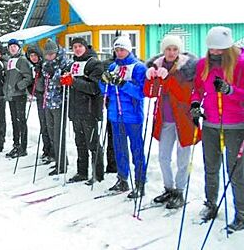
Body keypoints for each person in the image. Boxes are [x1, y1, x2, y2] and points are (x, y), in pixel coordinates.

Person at [190, 26, 244, 232]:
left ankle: (241, 213)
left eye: (219, 49)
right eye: (211, 49)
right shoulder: (203, 64)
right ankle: (210, 204)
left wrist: (230, 90)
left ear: (228, 48)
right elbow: (198, 88)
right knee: (210, 167)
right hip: (211, 122)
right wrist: (195, 104)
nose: (214, 53)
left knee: (236, 172)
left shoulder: (240, 64)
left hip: (236, 124)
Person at [145, 35, 198, 209]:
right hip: (165, 119)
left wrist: (168, 79)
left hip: (183, 121)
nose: (171, 52)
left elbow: (184, 95)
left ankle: (180, 191)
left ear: (179, 51)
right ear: (163, 50)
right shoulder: (157, 65)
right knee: (163, 157)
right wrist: (150, 77)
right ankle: (168, 188)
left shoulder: (187, 68)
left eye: (175, 49)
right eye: (168, 49)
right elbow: (150, 93)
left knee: (182, 159)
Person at [101, 35, 147, 198]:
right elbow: (106, 90)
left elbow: (142, 92)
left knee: (136, 149)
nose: (119, 53)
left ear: (129, 50)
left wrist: (123, 84)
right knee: (119, 149)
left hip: (133, 116)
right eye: (117, 50)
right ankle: (122, 179)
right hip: (115, 114)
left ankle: (140, 182)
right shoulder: (113, 66)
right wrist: (104, 82)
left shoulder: (139, 67)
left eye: (122, 50)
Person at [65, 38, 105, 185]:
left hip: (89, 110)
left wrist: (74, 82)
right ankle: (82, 172)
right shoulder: (73, 64)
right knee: (79, 142)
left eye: (80, 46)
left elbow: (95, 88)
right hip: (76, 109)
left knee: (93, 143)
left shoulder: (94, 63)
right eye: (74, 47)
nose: (77, 49)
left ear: (85, 47)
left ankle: (98, 174)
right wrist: (65, 80)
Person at [42, 39, 70, 175]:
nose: (49, 57)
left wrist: (55, 75)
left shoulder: (64, 63)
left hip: (59, 103)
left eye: (51, 54)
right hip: (48, 102)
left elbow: (64, 81)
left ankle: (62, 164)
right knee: (51, 133)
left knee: (59, 134)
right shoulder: (46, 64)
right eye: (47, 55)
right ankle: (59, 160)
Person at [4, 39, 33, 158]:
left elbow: (28, 77)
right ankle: (16, 144)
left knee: (21, 121)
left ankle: (23, 147)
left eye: (15, 46)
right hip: (11, 95)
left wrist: (19, 86)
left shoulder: (22, 60)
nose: (12, 48)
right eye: (11, 47)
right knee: (14, 121)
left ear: (19, 48)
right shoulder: (10, 60)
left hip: (19, 95)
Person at [25, 44, 54, 163]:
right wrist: (31, 88)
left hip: (46, 98)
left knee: (48, 125)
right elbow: (33, 83)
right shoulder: (33, 67)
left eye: (35, 55)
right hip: (39, 97)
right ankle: (46, 149)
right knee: (43, 124)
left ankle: (52, 151)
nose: (33, 57)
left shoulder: (44, 65)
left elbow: (44, 83)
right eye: (31, 56)